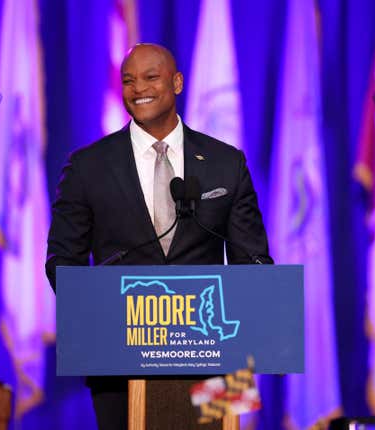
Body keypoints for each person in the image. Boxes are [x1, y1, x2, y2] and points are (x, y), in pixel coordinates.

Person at [46, 43, 272, 430]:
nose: (138, 89)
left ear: (177, 82)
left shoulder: (225, 162)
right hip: (117, 360)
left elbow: (252, 260)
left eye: (151, 77)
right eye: (128, 81)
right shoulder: (88, 167)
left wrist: (258, 301)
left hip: (213, 355)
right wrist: (102, 310)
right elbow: (62, 262)